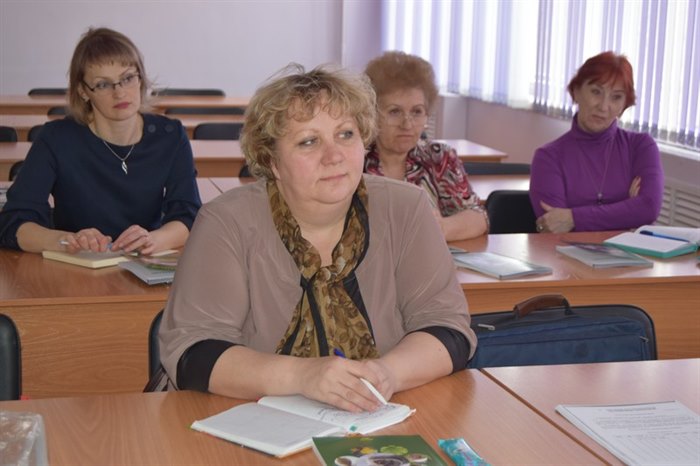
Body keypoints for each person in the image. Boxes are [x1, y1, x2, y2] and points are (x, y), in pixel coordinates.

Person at [159, 64, 476, 413]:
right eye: (309, 141)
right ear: (272, 161)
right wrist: (303, 376)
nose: (334, 156)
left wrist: (387, 374)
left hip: (378, 416)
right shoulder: (226, 222)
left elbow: (449, 329)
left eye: (346, 134)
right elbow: (194, 352)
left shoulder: (407, 208)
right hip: (249, 418)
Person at [0, 27, 201, 254]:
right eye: (103, 84)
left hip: (144, 262)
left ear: (141, 78)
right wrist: (67, 241)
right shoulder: (56, 139)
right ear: (83, 91)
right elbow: (13, 222)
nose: (119, 93)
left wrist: (153, 240)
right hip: (76, 266)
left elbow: (189, 214)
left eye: (127, 78)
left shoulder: (170, 136)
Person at [529, 51, 664, 233]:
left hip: (632, 252)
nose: (603, 106)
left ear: (624, 105)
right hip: (567, 252)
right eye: (596, 92)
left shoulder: (641, 146)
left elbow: (648, 208)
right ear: (576, 92)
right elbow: (554, 227)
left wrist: (573, 218)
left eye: (616, 97)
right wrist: (627, 211)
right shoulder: (548, 157)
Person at [363, 51, 488, 241]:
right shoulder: (354, 159)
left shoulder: (439, 157)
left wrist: (442, 228)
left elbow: (478, 217)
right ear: (372, 113)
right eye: (395, 111)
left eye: (417, 112)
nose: (407, 124)